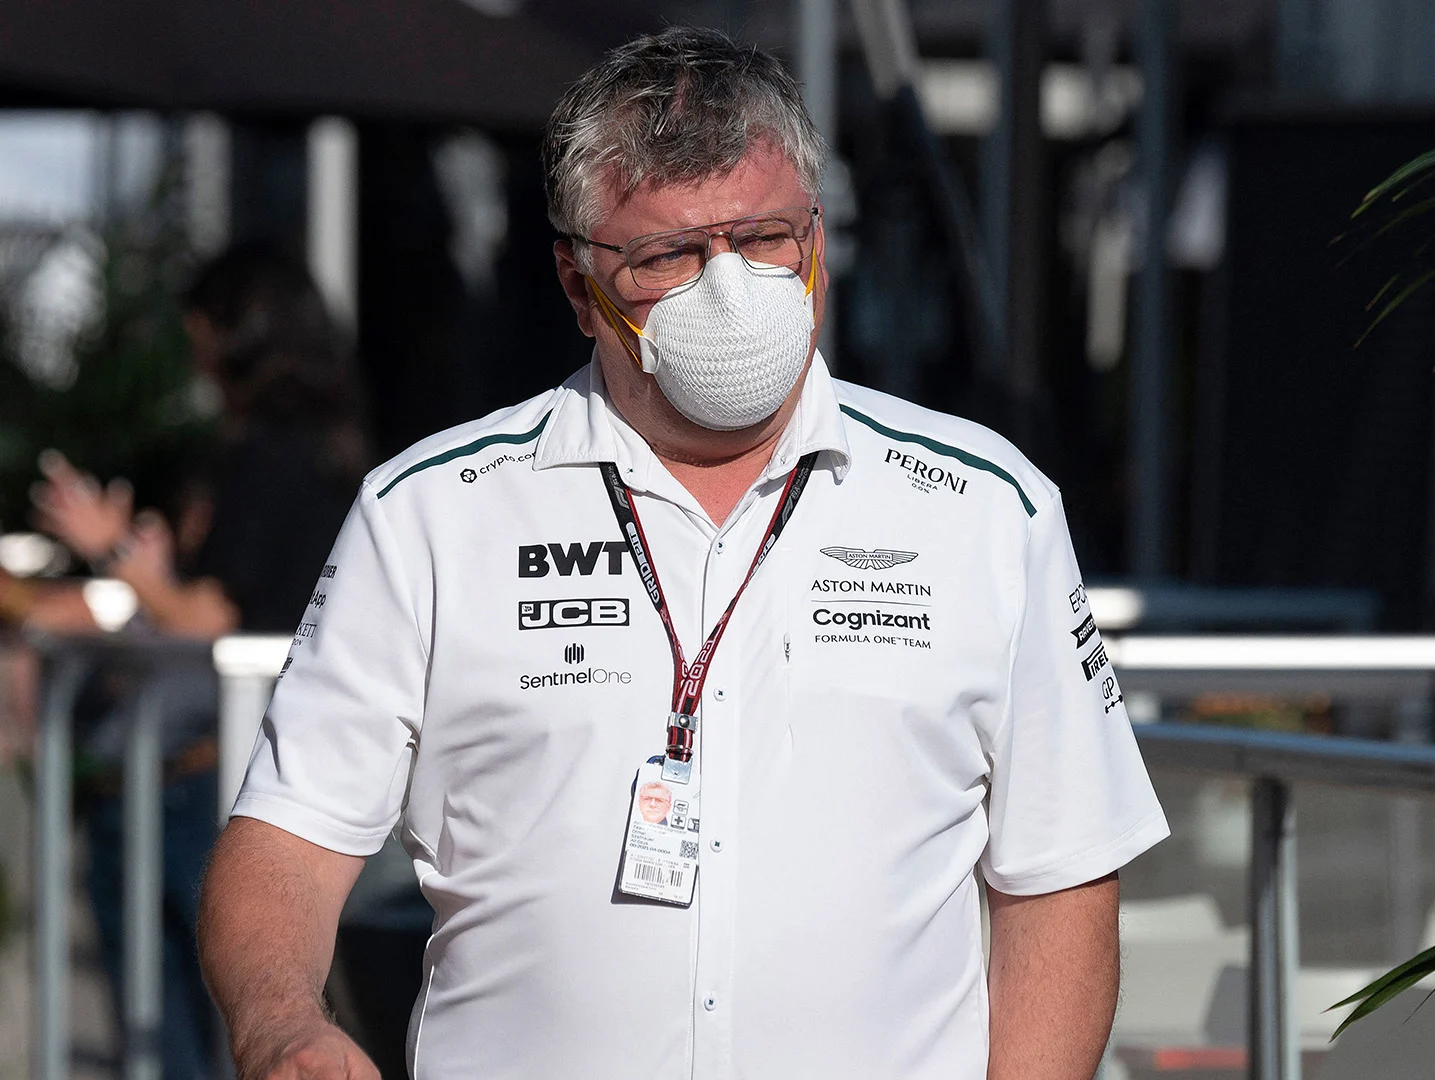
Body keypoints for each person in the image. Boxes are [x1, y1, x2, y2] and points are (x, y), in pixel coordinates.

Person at [198, 27, 1167, 1080]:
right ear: (578, 287)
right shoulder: (430, 515)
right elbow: (287, 839)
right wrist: (281, 1022)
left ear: (820, 246)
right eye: (667, 255)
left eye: (762, 240)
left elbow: (1061, 878)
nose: (730, 289)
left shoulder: (988, 509)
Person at [7, 245, 367, 1080]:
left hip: (197, 772)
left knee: (187, 1027)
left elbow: (212, 613)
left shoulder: (271, 455)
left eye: (200, 331)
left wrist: (121, 561)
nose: (195, 354)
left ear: (235, 334)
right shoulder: (329, 450)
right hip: (229, 763)